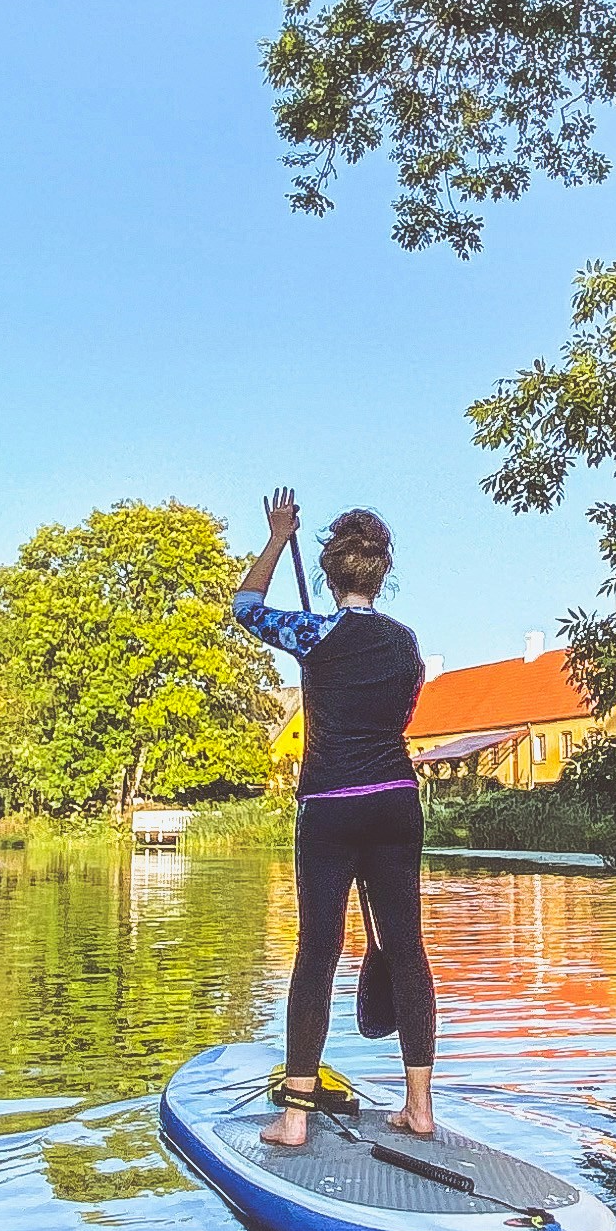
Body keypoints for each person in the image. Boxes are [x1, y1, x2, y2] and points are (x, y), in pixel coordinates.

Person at [230, 489, 435, 1150]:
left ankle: (294, 1117)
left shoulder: (314, 635)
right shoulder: (408, 645)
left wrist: (274, 535)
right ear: (381, 572)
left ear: (329, 574)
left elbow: (245, 607)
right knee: (406, 948)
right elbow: (400, 718)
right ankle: (420, 1107)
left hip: (330, 807)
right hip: (396, 800)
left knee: (318, 951)